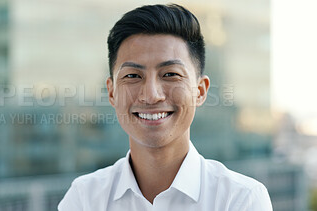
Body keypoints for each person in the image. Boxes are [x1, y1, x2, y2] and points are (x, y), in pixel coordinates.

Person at [58, 4, 272, 211]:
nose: (151, 95)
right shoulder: (84, 198)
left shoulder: (241, 200)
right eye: (133, 76)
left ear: (200, 90)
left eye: (170, 74)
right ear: (112, 92)